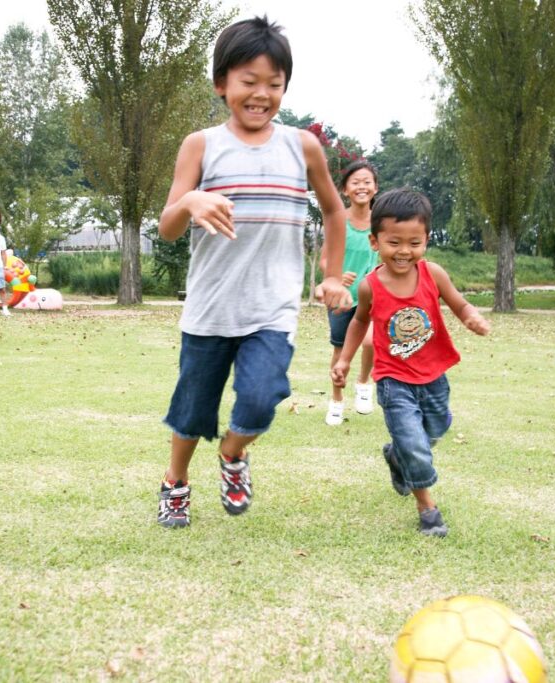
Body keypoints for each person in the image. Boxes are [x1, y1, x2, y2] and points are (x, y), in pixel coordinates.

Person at [154, 15, 351, 528]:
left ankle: (234, 454)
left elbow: (334, 210)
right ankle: (175, 481)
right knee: (193, 411)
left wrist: (331, 275)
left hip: (273, 307)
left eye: (274, 84)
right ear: (222, 84)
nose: (261, 94)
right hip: (210, 308)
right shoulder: (201, 145)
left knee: (262, 398)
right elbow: (168, 227)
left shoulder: (302, 146)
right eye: (249, 82)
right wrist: (192, 199)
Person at [331, 189, 490, 537]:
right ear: (375, 241)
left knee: (432, 432)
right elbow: (359, 321)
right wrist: (345, 359)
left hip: (434, 374)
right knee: (415, 445)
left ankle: (396, 456)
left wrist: (471, 317)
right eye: (394, 242)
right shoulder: (370, 286)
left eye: (414, 242)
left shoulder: (433, 274)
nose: (404, 251)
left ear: (426, 240)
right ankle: (427, 509)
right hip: (393, 378)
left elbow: (459, 304)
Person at [320, 160, 380, 426]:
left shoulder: (382, 221)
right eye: (355, 182)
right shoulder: (339, 221)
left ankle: (364, 383)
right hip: (342, 297)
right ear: (345, 190)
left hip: (374, 295)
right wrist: (335, 276)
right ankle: (336, 400)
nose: (362, 186)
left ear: (375, 188)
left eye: (367, 181)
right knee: (340, 351)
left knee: (370, 342)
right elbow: (324, 259)